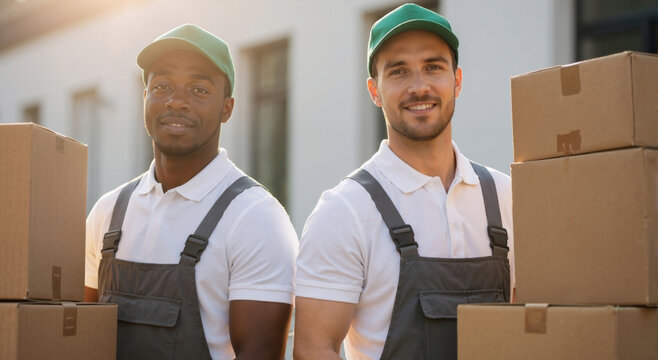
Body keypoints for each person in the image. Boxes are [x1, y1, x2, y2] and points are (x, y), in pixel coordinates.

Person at [293, 4, 515, 360]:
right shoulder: (345, 211)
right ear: (374, 90)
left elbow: (535, 325)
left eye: (433, 67)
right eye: (398, 72)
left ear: (456, 80)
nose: (419, 86)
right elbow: (314, 349)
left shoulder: (506, 198)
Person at [84, 24, 298, 360]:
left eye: (198, 90)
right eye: (162, 86)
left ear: (227, 108)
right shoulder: (108, 212)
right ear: (145, 99)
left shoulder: (255, 218)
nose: (176, 101)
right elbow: (81, 340)